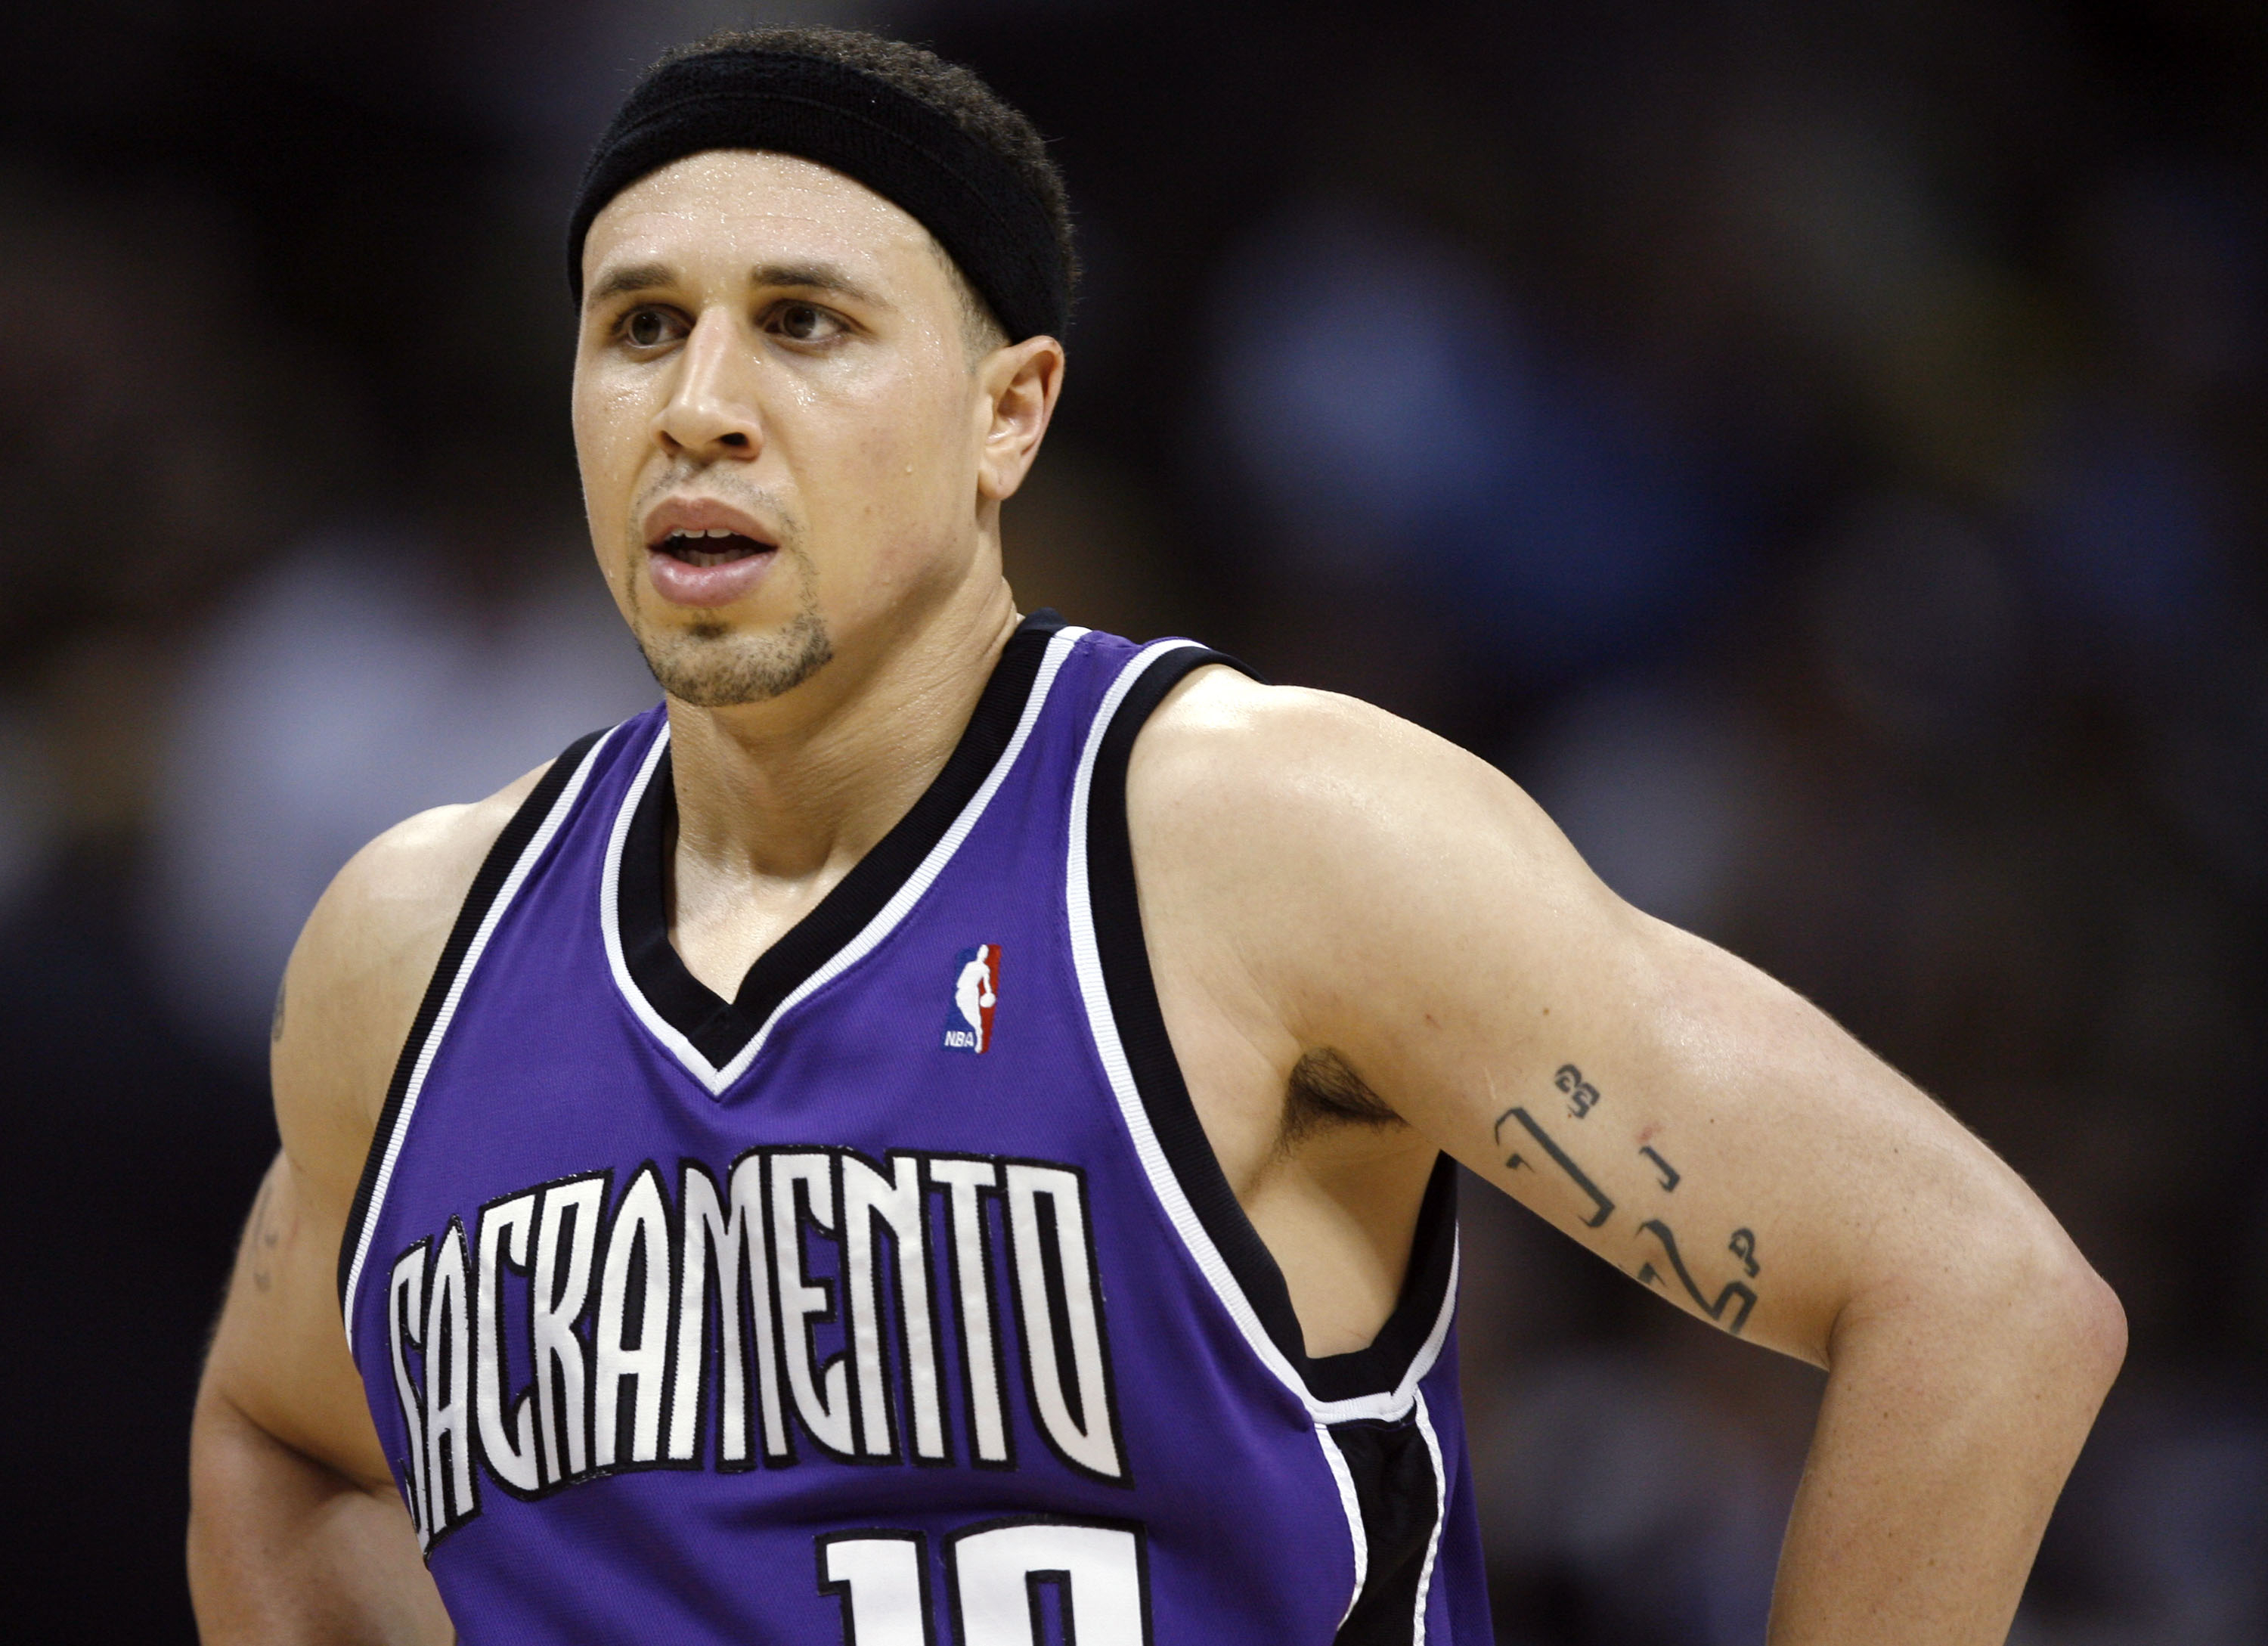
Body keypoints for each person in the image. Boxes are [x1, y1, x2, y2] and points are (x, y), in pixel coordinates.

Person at [187, 26, 2124, 1645]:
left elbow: (1977, 1297)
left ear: (1006, 414)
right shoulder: (410, 946)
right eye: (639, 328)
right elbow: (277, 1450)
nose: (702, 405)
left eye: (804, 325)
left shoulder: (1259, 837)